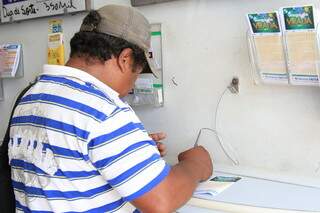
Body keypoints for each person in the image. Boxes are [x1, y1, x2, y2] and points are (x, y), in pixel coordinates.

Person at [8, 4, 213, 213]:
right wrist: (196, 164)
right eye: (138, 72)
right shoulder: (103, 109)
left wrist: (129, 147)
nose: (133, 84)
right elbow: (162, 200)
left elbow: (67, 164)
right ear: (125, 59)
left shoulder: (31, 96)